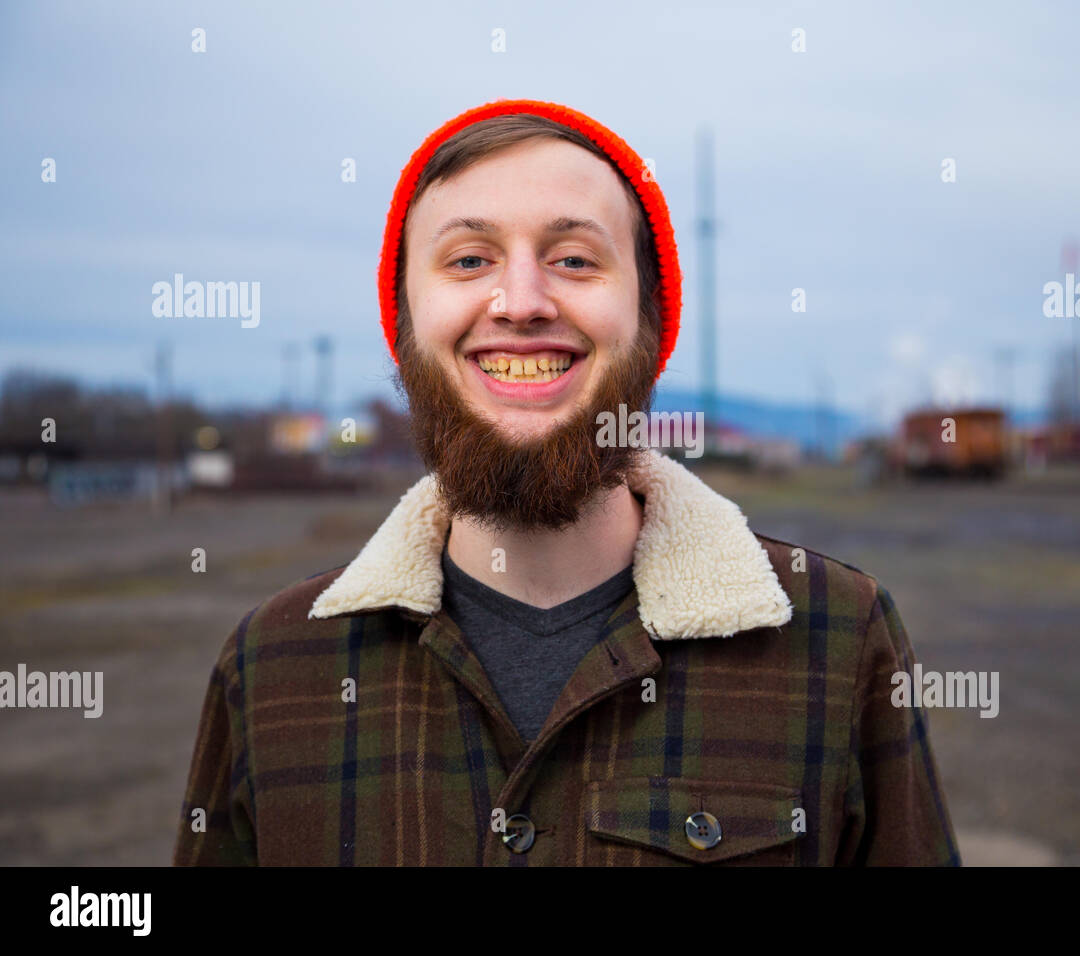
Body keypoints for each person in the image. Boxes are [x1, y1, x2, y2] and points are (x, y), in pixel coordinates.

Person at [172, 98, 960, 866]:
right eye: (469, 259)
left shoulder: (835, 639)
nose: (520, 303)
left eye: (574, 259)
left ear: (650, 320)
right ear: (406, 320)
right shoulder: (273, 667)